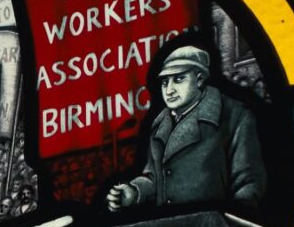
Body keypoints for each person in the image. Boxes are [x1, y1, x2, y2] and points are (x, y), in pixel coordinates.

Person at [107, 45, 265, 211]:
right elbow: (155, 178)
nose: (169, 90)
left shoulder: (234, 116)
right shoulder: (160, 126)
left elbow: (248, 182)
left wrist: (235, 221)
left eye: (179, 79)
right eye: (165, 82)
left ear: (199, 79)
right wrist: (135, 191)